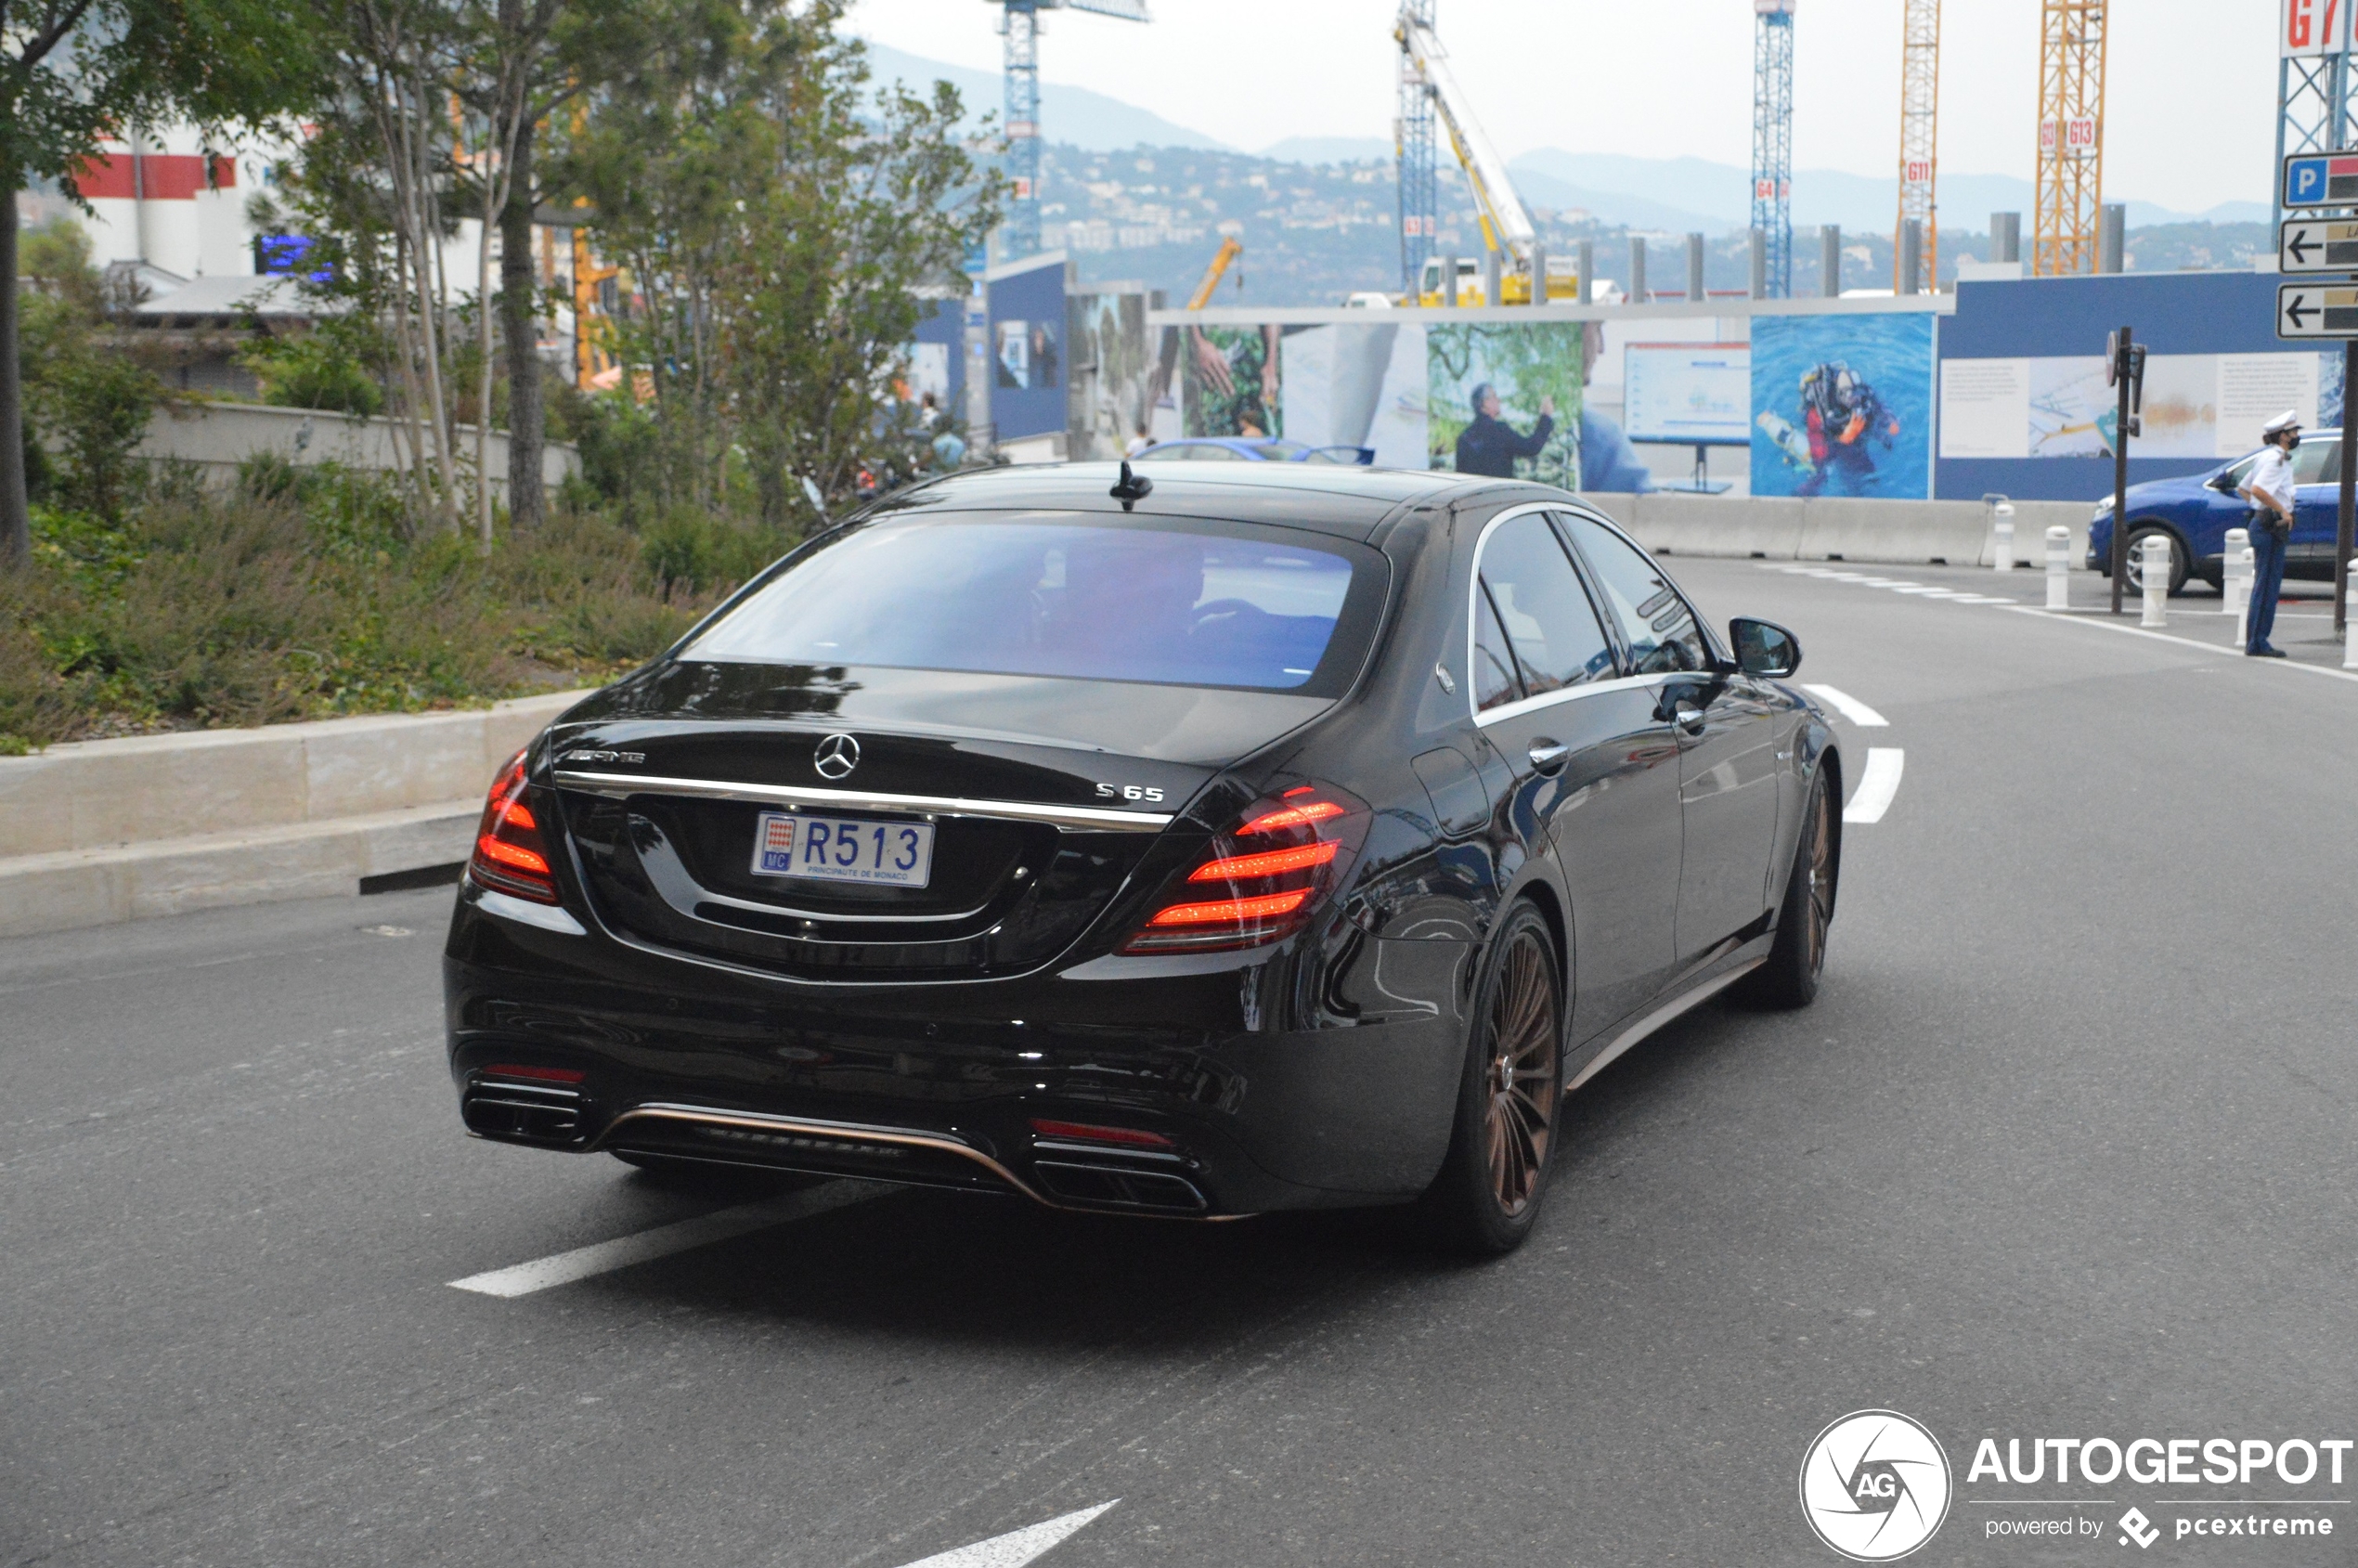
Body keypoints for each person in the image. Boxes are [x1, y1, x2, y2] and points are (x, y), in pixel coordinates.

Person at [2236, 409, 2300, 657]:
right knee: (2267, 586)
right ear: (2283, 436)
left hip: (2262, 523)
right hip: (2270, 527)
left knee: (2263, 584)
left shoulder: (2266, 457)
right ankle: (2257, 642)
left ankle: (2255, 639)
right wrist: (2281, 511)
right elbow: (2257, 489)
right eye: (2293, 431)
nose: (2296, 436)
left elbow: (2244, 489)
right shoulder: (2277, 460)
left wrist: (2258, 508)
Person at [1455, 382, 1555, 478]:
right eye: (1494, 396)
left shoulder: (1463, 438)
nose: (1499, 400)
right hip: (1499, 494)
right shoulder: (1500, 431)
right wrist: (1545, 417)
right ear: (1485, 403)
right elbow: (1531, 447)